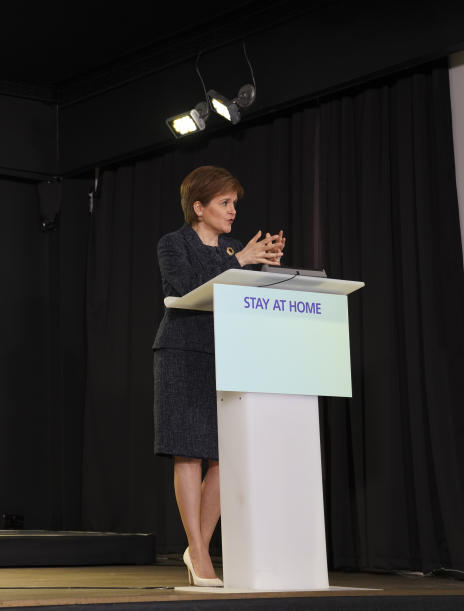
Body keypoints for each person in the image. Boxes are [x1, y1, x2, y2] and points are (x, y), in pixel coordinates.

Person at [152, 166, 284, 587]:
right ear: (199, 206)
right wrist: (243, 259)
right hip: (183, 353)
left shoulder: (233, 248)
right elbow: (188, 287)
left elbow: (246, 295)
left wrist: (268, 267)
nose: (232, 212)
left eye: (234, 204)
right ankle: (201, 552)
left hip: (229, 353)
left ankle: (197, 549)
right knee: (189, 452)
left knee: (224, 457)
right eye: (225, 203)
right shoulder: (174, 244)